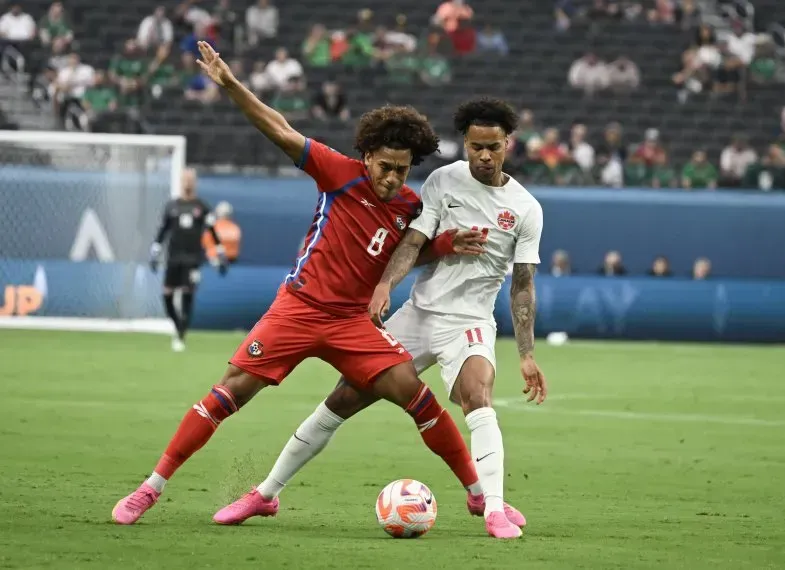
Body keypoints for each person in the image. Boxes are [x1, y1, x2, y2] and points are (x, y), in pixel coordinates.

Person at [112, 41, 495, 531]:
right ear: (366, 154)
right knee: (229, 392)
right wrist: (231, 85)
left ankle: (479, 495)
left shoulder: (408, 206)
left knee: (416, 396)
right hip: (298, 309)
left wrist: (441, 246)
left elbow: (404, 255)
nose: (393, 177)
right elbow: (279, 127)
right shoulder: (337, 173)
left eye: (402, 169)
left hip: (352, 323)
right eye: (385, 166)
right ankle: (151, 487)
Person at [215, 97, 547, 539]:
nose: (484, 156)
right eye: (475, 146)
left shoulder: (526, 208)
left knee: (476, 395)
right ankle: (267, 493)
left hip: (469, 321)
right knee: (342, 399)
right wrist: (386, 285)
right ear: (465, 143)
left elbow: (523, 284)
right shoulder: (443, 182)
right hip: (419, 314)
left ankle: (493, 508)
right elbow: (411, 242)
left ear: (509, 143)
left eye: (493, 147)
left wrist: (526, 354)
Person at [150, 168, 228, 352]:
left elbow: (213, 231)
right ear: (180, 181)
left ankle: (180, 335)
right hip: (173, 258)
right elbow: (163, 231)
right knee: (167, 295)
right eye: (185, 179)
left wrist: (220, 253)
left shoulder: (202, 207)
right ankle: (178, 326)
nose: (188, 182)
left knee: (187, 295)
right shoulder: (172, 206)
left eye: (191, 179)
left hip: (192, 259)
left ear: (195, 183)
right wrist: (155, 251)